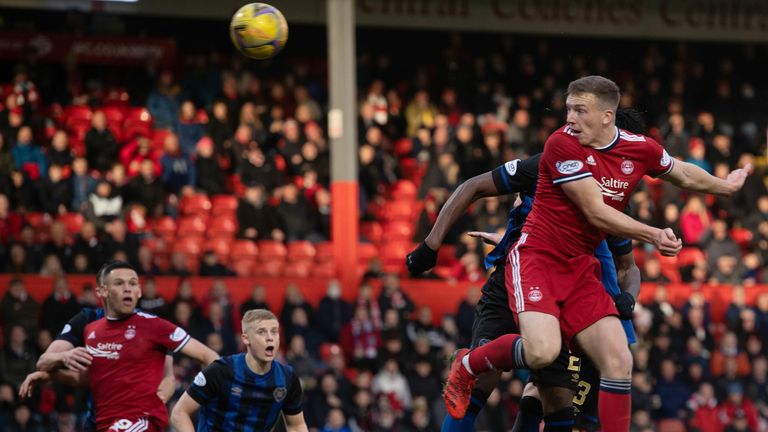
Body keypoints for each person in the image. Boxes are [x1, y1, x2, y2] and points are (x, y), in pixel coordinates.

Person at [441, 76, 750, 431]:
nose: (569, 118)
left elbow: (680, 172)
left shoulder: (640, 148)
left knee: (619, 360)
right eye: (568, 108)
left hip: (579, 269)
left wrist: (725, 187)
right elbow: (595, 211)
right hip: (538, 259)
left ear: (607, 116)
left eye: (579, 110)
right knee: (541, 352)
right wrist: (653, 233)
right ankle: (467, 365)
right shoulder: (561, 144)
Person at [407, 108, 646, 432]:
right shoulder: (547, 165)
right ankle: (470, 363)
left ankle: (472, 362)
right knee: (482, 381)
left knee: (555, 397)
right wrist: (430, 245)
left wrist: (627, 299)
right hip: (514, 278)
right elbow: (474, 186)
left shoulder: (614, 199)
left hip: (564, 296)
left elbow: (628, 267)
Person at [21, 261, 219, 432]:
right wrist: (52, 374)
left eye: (133, 283)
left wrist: (191, 404)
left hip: (140, 420)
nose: (127, 288)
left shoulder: (152, 325)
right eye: (119, 283)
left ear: (139, 291)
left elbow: (208, 358)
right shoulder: (90, 327)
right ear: (103, 291)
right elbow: (94, 378)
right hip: (101, 420)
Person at [171, 309, 309, 432]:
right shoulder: (220, 371)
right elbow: (179, 413)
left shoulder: (287, 378)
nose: (270, 337)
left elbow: (296, 426)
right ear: (245, 338)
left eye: (274, 331)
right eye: (261, 332)